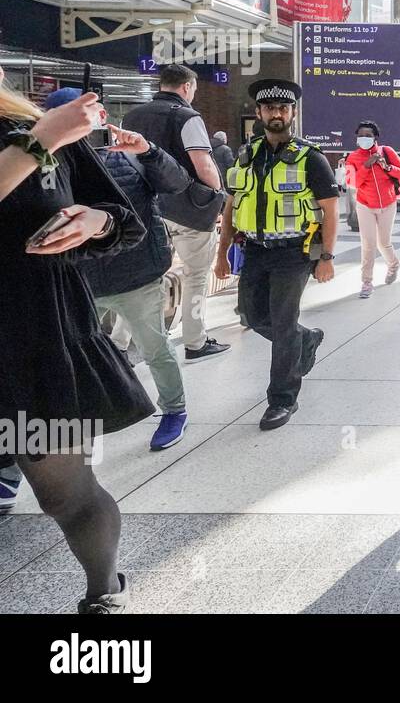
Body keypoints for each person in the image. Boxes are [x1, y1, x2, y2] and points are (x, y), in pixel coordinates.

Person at [0, 70, 152, 612]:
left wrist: (95, 222)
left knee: (64, 490)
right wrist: (37, 142)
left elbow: (123, 222)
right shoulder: (41, 133)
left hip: (38, 340)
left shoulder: (38, 127)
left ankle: (103, 589)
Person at [46, 89, 192, 452]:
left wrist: (149, 151)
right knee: (63, 357)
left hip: (135, 274)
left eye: (88, 115)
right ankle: (45, 444)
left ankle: (175, 410)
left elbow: (177, 184)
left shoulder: (131, 155)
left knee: (154, 345)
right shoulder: (42, 165)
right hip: (78, 280)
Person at [214, 79, 339, 430]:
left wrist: (326, 258)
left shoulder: (310, 158)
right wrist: (221, 253)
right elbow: (231, 206)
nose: (277, 114)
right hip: (254, 250)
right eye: (270, 108)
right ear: (259, 113)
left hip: (293, 253)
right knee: (254, 317)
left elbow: (330, 210)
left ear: (293, 113)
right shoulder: (245, 155)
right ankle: (307, 338)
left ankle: (282, 400)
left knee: (282, 324)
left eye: (283, 109)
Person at [123, 64, 229, 361]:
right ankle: (195, 342)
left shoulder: (132, 116)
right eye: (193, 88)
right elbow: (203, 163)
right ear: (186, 87)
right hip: (187, 209)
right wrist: (216, 198)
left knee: (142, 277)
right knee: (196, 274)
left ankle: (120, 343)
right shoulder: (187, 116)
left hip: (145, 207)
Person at [344, 120, 400, 299]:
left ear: (375, 138)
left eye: (368, 135)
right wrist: (366, 166)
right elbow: (352, 183)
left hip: (388, 203)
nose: (364, 138)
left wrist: (386, 166)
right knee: (369, 244)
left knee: (384, 242)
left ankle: (393, 264)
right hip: (365, 205)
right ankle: (367, 282)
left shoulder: (387, 152)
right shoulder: (353, 158)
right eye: (361, 136)